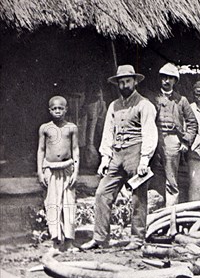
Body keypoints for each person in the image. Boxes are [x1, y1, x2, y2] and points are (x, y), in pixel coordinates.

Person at [81, 65, 158, 250]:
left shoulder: (145, 105)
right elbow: (108, 132)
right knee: (102, 193)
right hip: (117, 154)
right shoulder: (113, 105)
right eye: (121, 82)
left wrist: (144, 160)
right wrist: (105, 158)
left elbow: (149, 132)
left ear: (135, 81)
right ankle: (100, 238)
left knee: (138, 197)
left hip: (136, 153)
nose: (124, 85)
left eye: (127, 81)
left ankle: (137, 239)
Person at [151, 63, 198, 207]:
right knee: (154, 175)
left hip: (172, 140)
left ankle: (170, 214)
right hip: (154, 138)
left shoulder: (181, 100)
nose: (166, 81)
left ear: (175, 81)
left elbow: (192, 123)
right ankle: (155, 209)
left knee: (171, 179)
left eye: (170, 78)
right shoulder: (153, 98)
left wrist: (185, 142)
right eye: (164, 77)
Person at [37, 96, 79, 252]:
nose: (57, 111)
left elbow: (75, 150)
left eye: (60, 108)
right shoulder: (45, 128)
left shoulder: (71, 128)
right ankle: (55, 242)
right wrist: (40, 172)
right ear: (49, 110)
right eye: (54, 109)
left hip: (68, 168)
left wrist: (76, 171)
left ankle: (69, 242)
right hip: (50, 169)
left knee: (69, 204)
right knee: (52, 204)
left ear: (66, 109)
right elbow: (41, 150)